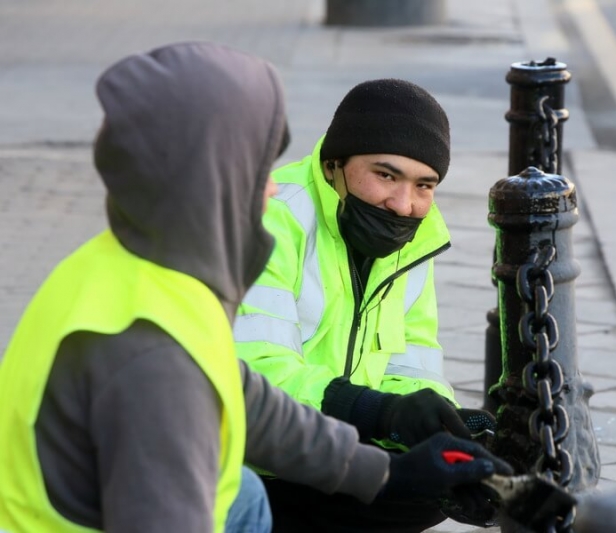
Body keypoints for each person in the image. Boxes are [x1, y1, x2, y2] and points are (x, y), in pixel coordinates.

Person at [0, 43, 512, 533]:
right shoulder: (149, 356)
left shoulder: (141, 264)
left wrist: (386, 473)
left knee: (265, 492)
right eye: (254, 164)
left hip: (181, 483)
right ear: (209, 175)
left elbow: (243, 397)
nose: (271, 185)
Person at [234, 78, 501, 531]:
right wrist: (381, 413)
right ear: (334, 163)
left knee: (434, 486)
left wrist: (440, 425)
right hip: (257, 451)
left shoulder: (415, 236)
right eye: (386, 175)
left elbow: (413, 362)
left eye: (424, 185)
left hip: (335, 442)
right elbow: (253, 376)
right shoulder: (275, 218)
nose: (403, 204)